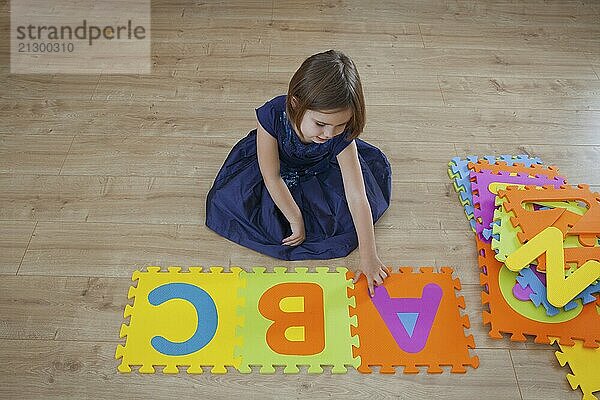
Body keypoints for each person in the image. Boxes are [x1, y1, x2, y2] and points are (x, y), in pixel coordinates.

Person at [206, 49, 392, 296]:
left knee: (345, 219)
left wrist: (369, 256)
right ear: (295, 104)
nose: (328, 134)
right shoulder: (273, 115)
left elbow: (357, 195)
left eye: (340, 125)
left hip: (319, 173)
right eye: (321, 124)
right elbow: (271, 176)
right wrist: (295, 218)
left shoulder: (339, 136)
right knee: (244, 209)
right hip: (275, 171)